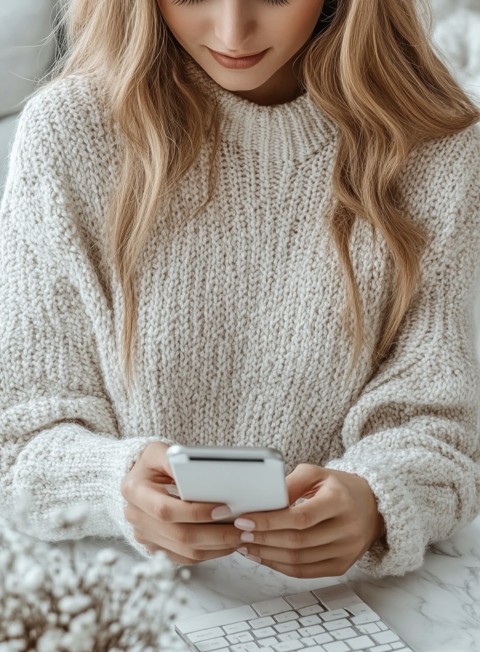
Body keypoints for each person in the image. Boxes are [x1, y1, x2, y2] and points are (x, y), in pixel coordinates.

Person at [0, 0, 479, 580]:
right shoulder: (70, 133)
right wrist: (113, 485)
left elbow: (442, 427)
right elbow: (19, 434)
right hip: (119, 592)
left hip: (345, 600)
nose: (232, 31)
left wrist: (377, 501)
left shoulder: (440, 147)